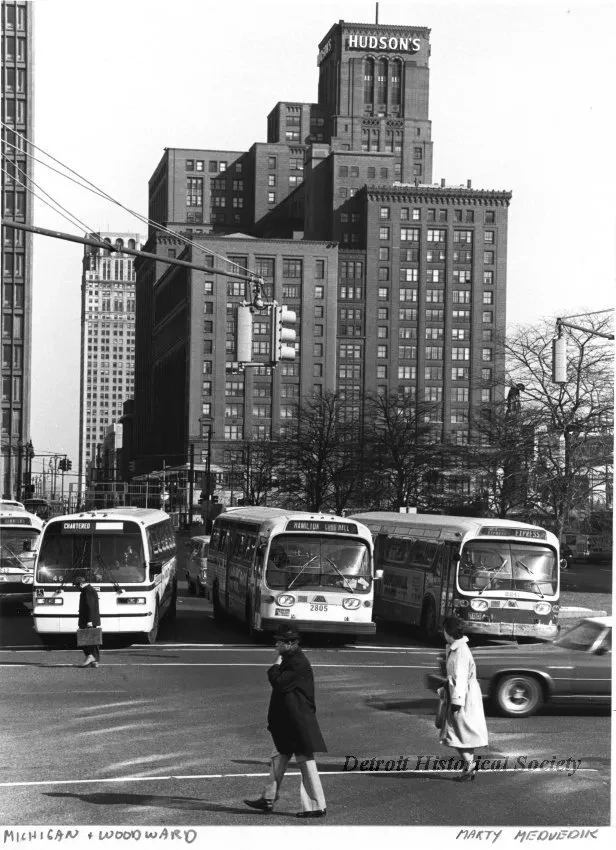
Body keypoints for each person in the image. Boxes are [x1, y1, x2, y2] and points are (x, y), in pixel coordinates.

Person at [244, 624, 327, 817]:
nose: (276, 644)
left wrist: (275, 664)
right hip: (288, 721)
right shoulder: (291, 659)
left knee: (306, 761)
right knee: (279, 758)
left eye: (280, 642)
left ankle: (316, 806)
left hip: (297, 721)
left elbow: (278, 682)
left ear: (292, 644)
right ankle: (268, 798)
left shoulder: (297, 662)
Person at [439, 615, 488, 781]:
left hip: (464, 696)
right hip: (463, 693)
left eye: (444, 629)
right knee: (461, 734)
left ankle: (470, 768)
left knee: (458, 733)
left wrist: (456, 701)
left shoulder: (460, 652)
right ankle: (469, 768)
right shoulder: (456, 648)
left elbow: (459, 678)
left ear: (448, 632)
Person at [74, 575, 101, 668]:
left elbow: (90, 606)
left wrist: (89, 620)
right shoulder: (88, 590)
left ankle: (90, 656)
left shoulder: (87, 591)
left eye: (76, 585)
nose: (75, 588)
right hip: (90, 619)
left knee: (85, 639)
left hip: (88, 619)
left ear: (81, 584)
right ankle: (95, 660)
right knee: (93, 640)